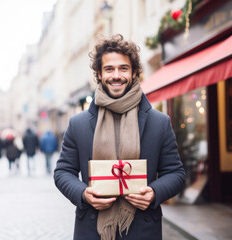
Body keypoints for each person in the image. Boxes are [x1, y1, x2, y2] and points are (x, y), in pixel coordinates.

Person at [54, 34, 185, 240]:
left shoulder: (159, 122)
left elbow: (176, 173)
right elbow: (63, 172)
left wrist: (154, 192)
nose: (116, 75)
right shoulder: (78, 124)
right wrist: (83, 193)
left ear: (134, 73)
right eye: (109, 69)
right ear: (99, 73)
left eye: (123, 68)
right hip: (92, 229)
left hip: (142, 229)